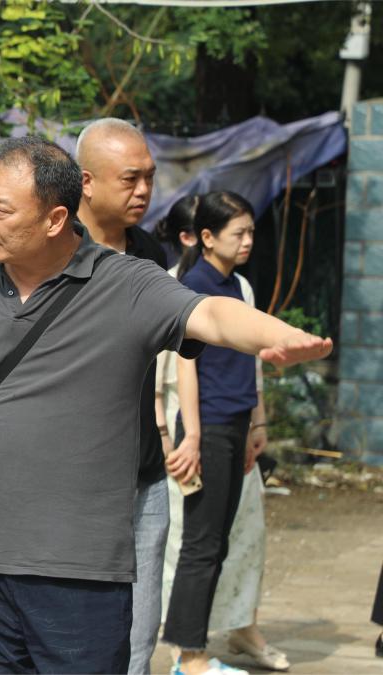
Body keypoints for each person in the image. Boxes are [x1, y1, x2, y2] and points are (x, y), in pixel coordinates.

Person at [0, 136, 332, 674]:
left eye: (2, 210)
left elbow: (211, 314)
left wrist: (278, 336)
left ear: (55, 219)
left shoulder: (126, 283)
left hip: (79, 574)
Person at [156, 194, 289, 673]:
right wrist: (189, 436)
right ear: (207, 237)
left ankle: (196, 646)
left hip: (234, 424)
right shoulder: (192, 287)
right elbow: (184, 367)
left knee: (219, 542)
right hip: (207, 427)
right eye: (239, 233)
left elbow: (250, 360)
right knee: (201, 544)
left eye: (251, 231)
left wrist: (256, 424)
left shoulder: (237, 285)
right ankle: (188, 654)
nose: (248, 241)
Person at [77, 117, 169, 675]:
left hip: (142, 469)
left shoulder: (150, 253)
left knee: (140, 629)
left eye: (149, 178)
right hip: (72, 477)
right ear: (86, 182)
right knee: (70, 629)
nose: (144, 190)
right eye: (130, 178)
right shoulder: (52, 249)